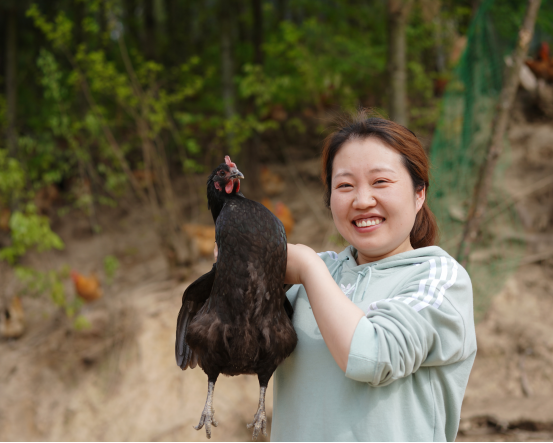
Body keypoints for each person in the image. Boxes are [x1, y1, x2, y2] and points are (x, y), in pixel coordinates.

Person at [271, 115, 477, 442]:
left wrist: (309, 269)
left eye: (380, 182)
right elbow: (234, 348)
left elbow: (372, 356)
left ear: (419, 193)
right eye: (345, 185)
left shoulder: (438, 278)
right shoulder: (310, 275)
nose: (362, 200)